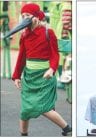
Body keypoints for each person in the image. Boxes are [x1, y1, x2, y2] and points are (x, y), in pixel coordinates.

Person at [11, 3, 71, 136]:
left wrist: (52, 69)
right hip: (29, 77)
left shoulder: (48, 33)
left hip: (44, 76)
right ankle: (23, 134)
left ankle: (67, 128)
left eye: (28, 15)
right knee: (25, 110)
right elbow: (21, 57)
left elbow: (55, 54)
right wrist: (16, 76)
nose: (25, 18)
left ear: (36, 16)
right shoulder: (24, 35)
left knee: (44, 108)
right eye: (23, 16)